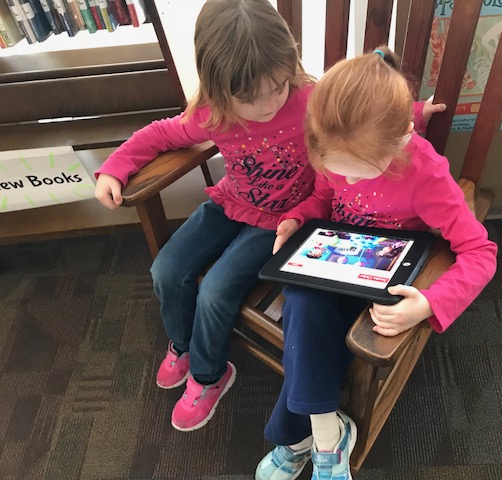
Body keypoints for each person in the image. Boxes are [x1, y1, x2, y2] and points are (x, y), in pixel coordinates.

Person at [93, 0, 444, 433]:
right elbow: (160, 133)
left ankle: (209, 375)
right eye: (251, 97)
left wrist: (413, 116)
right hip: (230, 203)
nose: (268, 103)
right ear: (219, 88)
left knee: (216, 292)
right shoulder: (213, 112)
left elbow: (361, 117)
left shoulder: (310, 100)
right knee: (165, 268)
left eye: (278, 86)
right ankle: (182, 345)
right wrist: (116, 166)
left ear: (290, 65)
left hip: (284, 221)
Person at [255, 46, 497, 480]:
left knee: (302, 319)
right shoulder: (336, 148)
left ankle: (296, 436)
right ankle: (329, 437)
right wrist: (299, 218)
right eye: (335, 168)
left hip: (386, 282)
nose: (344, 180)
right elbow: (323, 198)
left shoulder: (427, 175)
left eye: (357, 172)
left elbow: (481, 253)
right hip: (335, 261)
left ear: (401, 139)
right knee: (301, 301)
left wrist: (428, 303)